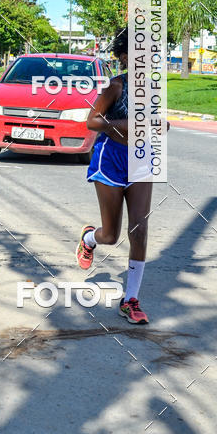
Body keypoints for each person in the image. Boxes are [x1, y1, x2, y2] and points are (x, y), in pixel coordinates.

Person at [76, 27, 156, 325]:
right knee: (111, 236)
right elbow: (93, 121)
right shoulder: (115, 86)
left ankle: (130, 299)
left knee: (140, 229)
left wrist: (159, 126)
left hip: (141, 160)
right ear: (125, 57)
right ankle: (89, 238)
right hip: (110, 160)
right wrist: (129, 125)